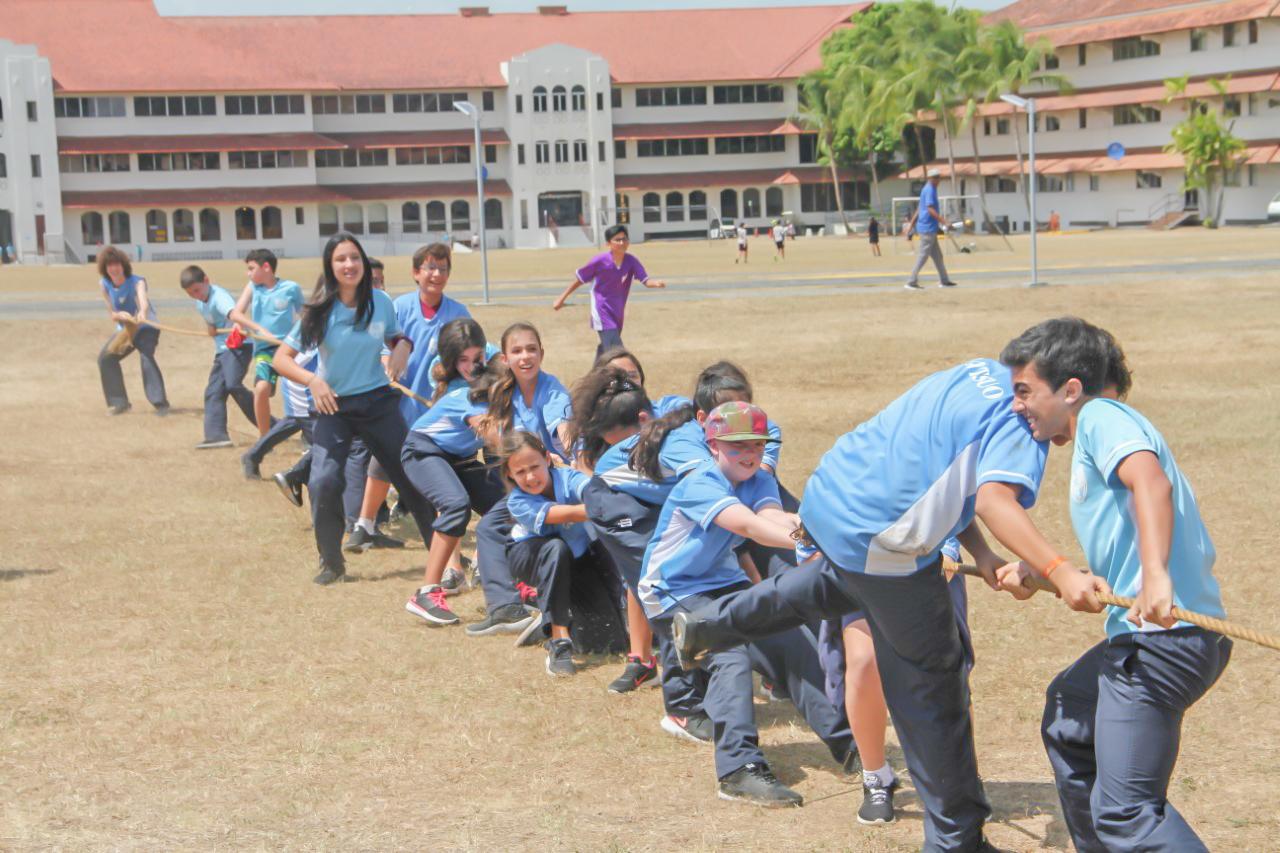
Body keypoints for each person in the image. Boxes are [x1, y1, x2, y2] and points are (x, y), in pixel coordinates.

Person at [671, 355, 1110, 851]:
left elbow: (947, 478)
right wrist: (1058, 569)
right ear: (1071, 389)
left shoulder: (977, 373)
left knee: (828, 585)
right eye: (1091, 415)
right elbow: (993, 500)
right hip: (882, 542)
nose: (1074, 436)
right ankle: (956, 840)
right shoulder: (1024, 417)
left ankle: (708, 626)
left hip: (834, 504)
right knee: (934, 686)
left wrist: (984, 553)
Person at [996, 317, 1231, 853]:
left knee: (1127, 812)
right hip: (1154, 638)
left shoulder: (1101, 416)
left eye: (1025, 391)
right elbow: (1123, 539)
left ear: (1071, 390)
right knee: (1069, 718)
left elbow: (1149, 479)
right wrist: (1048, 573)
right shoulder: (1088, 437)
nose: (1017, 405)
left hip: (1164, 642)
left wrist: (1157, 575)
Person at [639, 402, 854, 807]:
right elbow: (747, 525)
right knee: (730, 653)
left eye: (757, 443)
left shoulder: (757, 479)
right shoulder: (700, 481)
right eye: (738, 445)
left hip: (724, 583)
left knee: (791, 640)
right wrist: (809, 543)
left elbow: (774, 517)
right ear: (713, 445)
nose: (750, 452)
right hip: (672, 591)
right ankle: (738, 770)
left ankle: (851, 748)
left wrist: (819, 533)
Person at [271, 232, 437, 585]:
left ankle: (446, 559)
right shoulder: (320, 310)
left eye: (355, 258)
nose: (349, 265)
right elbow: (281, 360)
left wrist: (403, 347)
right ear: (331, 268)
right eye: (341, 259)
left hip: (378, 403)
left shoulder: (380, 301)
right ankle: (332, 562)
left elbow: (393, 335)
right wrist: (313, 381)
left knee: (412, 477)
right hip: (335, 408)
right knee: (324, 480)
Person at [401, 319, 517, 627]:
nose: (469, 366)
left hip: (459, 457)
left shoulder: (494, 366)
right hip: (423, 451)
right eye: (461, 360)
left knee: (509, 504)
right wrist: (523, 451)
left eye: (474, 358)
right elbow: (490, 433)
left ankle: (506, 584)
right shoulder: (462, 395)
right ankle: (426, 592)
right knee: (455, 504)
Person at [463, 323, 576, 635]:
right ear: (504, 358)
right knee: (490, 528)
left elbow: (563, 428)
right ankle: (507, 606)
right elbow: (501, 441)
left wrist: (568, 451)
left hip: (558, 480)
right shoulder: (502, 392)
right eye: (517, 351)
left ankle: (520, 602)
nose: (525, 356)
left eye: (531, 349)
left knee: (493, 528)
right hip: (528, 484)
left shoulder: (553, 390)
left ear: (541, 353)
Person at [502, 431, 596, 676]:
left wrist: (597, 497)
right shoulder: (517, 501)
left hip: (574, 558)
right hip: (528, 557)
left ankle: (546, 615)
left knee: (606, 641)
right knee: (556, 548)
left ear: (547, 458)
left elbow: (589, 489)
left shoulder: (567, 477)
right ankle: (559, 640)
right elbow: (566, 515)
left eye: (535, 466)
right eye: (520, 472)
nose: (531, 477)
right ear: (509, 474)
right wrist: (601, 506)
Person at [551, 224, 666, 358]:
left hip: (617, 311)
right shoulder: (600, 261)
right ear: (608, 243)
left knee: (606, 350)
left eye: (624, 239)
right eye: (617, 240)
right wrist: (561, 298)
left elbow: (645, 280)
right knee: (617, 352)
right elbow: (580, 279)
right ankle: (624, 378)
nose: (622, 242)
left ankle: (594, 376)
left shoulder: (631, 261)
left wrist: (655, 283)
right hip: (602, 310)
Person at [229, 249, 305, 442]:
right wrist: (258, 329)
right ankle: (264, 439)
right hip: (265, 349)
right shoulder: (253, 287)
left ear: (266, 267)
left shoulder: (291, 288)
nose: (248, 273)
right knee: (261, 389)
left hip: (288, 349)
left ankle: (309, 435)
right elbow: (236, 313)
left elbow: (305, 316)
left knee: (303, 390)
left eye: (251, 268)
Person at [179, 265, 256, 450]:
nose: (195, 295)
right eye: (190, 293)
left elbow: (234, 313)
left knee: (232, 384)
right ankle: (216, 436)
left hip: (238, 346)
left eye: (196, 290)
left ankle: (269, 425)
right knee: (214, 390)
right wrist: (210, 328)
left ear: (206, 280)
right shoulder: (200, 302)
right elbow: (211, 321)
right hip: (222, 350)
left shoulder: (219, 296)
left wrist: (239, 324)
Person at [96, 245, 169, 416]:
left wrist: (142, 313)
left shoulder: (137, 281)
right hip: (125, 329)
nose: (114, 269)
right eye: (109, 265)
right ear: (105, 268)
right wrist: (118, 315)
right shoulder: (104, 284)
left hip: (146, 327)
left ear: (124, 265)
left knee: (146, 356)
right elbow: (112, 312)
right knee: (105, 359)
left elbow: (142, 301)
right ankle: (119, 403)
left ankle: (161, 404)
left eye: (117, 264)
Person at [903, 169, 957, 290]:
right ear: (931, 178)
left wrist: (911, 224)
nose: (938, 180)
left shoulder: (928, 189)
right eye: (936, 177)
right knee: (923, 256)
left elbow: (919, 208)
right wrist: (945, 222)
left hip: (929, 227)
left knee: (938, 256)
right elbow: (930, 209)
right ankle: (911, 281)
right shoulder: (930, 190)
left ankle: (944, 280)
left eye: (939, 177)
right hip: (927, 228)